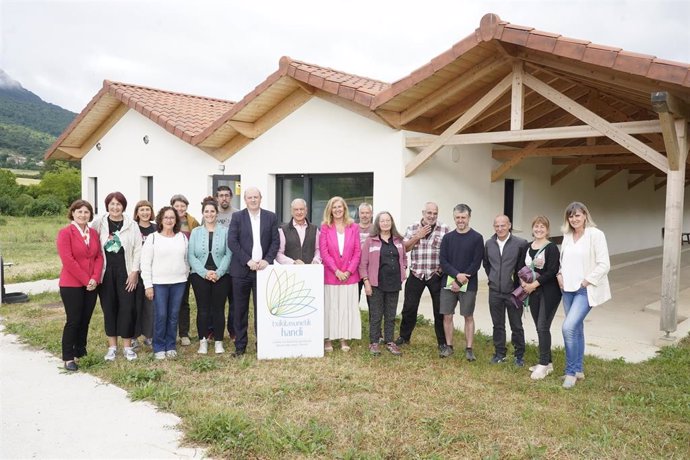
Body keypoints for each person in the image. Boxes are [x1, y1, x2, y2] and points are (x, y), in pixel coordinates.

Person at [558, 202, 611, 389]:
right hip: (567, 290)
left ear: (585, 216)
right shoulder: (567, 236)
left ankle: (570, 372)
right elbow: (562, 261)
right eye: (571, 216)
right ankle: (578, 370)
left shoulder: (596, 235)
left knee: (568, 328)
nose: (574, 219)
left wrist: (587, 281)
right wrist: (559, 275)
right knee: (577, 329)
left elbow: (604, 264)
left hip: (584, 289)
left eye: (577, 215)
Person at [227, 187, 279, 357]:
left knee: (261, 310)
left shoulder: (270, 217)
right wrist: (247, 260)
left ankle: (262, 346)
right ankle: (240, 347)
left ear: (261, 198)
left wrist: (267, 260)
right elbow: (232, 242)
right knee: (240, 310)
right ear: (245, 199)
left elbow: (275, 242)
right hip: (242, 270)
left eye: (256, 197)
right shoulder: (237, 217)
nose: (253, 200)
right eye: (250, 197)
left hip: (263, 271)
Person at [92, 192, 142, 362]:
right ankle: (112, 347)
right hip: (106, 272)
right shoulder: (99, 223)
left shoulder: (131, 224)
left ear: (123, 206)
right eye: (112, 204)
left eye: (118, 204)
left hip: (125, 271)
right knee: (109, 308)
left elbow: (137, 249)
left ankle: (127, 347)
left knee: (127, 308)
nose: (115, 207)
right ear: (107, 205)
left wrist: (134, 272)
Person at [56, 200, 103, 371]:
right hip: (72, 284)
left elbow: (98, 256)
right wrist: (86, 280)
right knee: (74, 320)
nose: (83, 215)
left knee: (85, 319)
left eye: (86, 212)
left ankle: (81, 350)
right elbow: (68, 260)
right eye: (80, 212)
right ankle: (68, 357)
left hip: (91, 283)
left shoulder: (93, 233)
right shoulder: (65, 233)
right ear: (73, 213)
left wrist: (95, 278)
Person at [395, 202, 449, 350]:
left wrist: (441, 270)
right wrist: (417, 236)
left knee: (439, 309)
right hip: (416, 273)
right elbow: (404, 249)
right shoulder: (412, 227)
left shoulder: (444, 229)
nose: (432, 216)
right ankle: (404, 337)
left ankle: (442, 342)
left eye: (435, 213)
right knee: (409, 308)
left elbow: (449, 252)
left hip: (435, 274)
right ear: (423, 213)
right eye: (429, 213)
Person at [141, 206, 190, 360]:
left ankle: (170, 345)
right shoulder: (153, 238)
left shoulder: (181, 237)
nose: (169, 220)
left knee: (174, 315)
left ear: (176, 220)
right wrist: (148, 285)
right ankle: (159, 346)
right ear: (161, 220)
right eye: (166, 217)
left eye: (172, 218)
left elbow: (187, 259)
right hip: (159, 283)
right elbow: (145, 263)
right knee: (161, 315)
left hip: (179, 282)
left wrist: (184, 273)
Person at [439, 204, 483, 361]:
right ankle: (449, 347)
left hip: (469, 283)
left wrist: (463, 279)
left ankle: (469, 348)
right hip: (449, 283)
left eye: (463, 217)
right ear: (454, 218)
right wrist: (457, 276)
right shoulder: (448, 238)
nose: (460, 220)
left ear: (469, 217)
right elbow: (443, 261)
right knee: (447, 316)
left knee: (468, 316)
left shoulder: (477, 238)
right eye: (457, 217)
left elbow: (476, 262)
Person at [519, 216, 561, 380]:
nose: (539, 229)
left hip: (549, 292)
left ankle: (543, 364)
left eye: (542, 227)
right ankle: (548, 362)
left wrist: (533, 285)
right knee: (539, 326)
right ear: (532, 228)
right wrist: (523, 282)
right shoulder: (526, 247)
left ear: (548, 230)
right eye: (536, 226)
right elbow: (519, 266)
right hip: (532, 291)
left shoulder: (551, 248)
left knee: (543, 326)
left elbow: (552, 271)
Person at [188, 197, 232, 354]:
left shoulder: (225, 231)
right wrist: (205, 273)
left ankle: (219, 341)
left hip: (222, 275)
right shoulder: (195, 232)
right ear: (202, 213)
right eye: (206, 211)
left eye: (212, 211)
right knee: (203, 309)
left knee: (219, 309)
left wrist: (218, 273)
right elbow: (191, 255)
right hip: (200, 276)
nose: (209, 214)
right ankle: (203, 341)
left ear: (217, 213)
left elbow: (228, 254)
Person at [483, 215, 528, 366]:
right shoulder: (489, 243)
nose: (500, 228)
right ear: (494, 227)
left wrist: (517, 284)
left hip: (514, 292)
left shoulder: (521, 244)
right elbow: (487, 264)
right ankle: (500, 353)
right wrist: (493, 278)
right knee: (498, 324)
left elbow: (524, 267)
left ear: (509, 225)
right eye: (497, 226)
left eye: (503, 225)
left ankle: (519, 355)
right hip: (495, 291)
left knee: (516, 324)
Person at [359, 212, 406, 356]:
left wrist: (403, 270)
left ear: (392, 222)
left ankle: (389, 341)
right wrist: (366, 282)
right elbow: (363, 264)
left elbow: (404, 258)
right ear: (378, 223)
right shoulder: (371, 240)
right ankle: (374, 342)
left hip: (394, 283)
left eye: (388, 220)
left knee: (391, 315)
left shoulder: (398, 240)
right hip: (375, 283)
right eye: (382, 221)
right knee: (376, 314)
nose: (385, 223)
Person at [319, 196, 362, 352]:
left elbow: (357, 251)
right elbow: (324, 252)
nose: (337, 210)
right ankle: (328, 339)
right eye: (334, 207)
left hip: (349, 276)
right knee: (330, 307)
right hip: (331, 275)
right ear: (330, 210)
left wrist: (348, 271)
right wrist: (336, 271)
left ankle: (344, 338)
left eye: (340, 207)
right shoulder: (325, 227)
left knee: (346, 306)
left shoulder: (353, 227)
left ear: (344, 209)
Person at [170, 194, 199, 347]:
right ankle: (170, 333)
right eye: (177, 206)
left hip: (187, 266)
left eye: (183, 206)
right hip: (169, 267)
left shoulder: (193, 222)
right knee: (169, 302)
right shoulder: (167, 221)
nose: (180, 209)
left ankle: (184, 333)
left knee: (183, 301)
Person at [215, 185, 239, 341]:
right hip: (216, 266)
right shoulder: (211, 214)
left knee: (235, 302)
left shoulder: (237, 214)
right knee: (216, 302)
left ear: (231, 197)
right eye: (221, 195)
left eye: (226, 195)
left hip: (235, 265)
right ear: (217, 198)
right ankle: (214, 330)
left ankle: (233, 330)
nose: (224, 198)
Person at [132, 200, 157, 348]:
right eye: (141, 210)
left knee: (150, 306)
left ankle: (149, 335)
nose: (145, 212)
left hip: (152, 273)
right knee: (134, 306)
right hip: (135, 272)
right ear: (137, 213)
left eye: (147, 209)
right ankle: (134, 336)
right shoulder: (133, 228)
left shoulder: (156, 228)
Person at [277, 198, 321, 265]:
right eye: (296, 209)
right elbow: (278, 253)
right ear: (291, 212)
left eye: (301, 209)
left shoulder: (315, 229)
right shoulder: (283, 230)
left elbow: (318, 249)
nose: (299, 212)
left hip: (311, 271)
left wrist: (316, 260)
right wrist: (293, 262)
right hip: (291, 273)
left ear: (306, 210)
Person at [357, 203, 373, 301]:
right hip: (355, 270)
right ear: (359, 214)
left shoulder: (376, 229)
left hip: (370, 270)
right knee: (354, 301)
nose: (365, 215)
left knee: (372, 302)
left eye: (367, 213)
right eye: (362, 213)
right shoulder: (352, 228)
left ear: (371, 214)